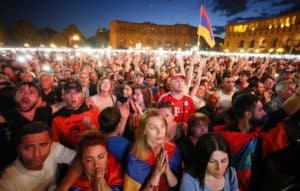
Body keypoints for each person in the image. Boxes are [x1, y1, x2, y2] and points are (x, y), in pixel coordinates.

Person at [214, 87, 300, 191]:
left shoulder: (257, 133)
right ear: (248, 114)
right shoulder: (222, 139)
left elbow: (278, 115)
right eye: (260, 110)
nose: (264, 113)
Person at [0, 122, 76, 191]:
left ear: (51, 143)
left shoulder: (54, 148)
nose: (37, 154)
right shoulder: (7, 182)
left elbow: (81, 158)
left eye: (43, 145)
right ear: (18, 149)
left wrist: (63, 187)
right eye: (28, 148)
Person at [124, 109, 181, 191]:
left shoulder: (171, 148)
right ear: (144, 131)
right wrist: (157, 174)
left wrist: (167, 171)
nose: (159, 132)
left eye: (162, 126)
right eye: (153, 128)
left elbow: (175, 186)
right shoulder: (135, 156)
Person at [52, 79, 100, 149]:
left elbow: (104, 136)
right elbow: (55, 146)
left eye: (77, 92)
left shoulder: (93, 109)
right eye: (68, 93)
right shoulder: (57, 119)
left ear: (82, 95)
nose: (73, 96)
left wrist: (91, 126)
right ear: (63, 96)